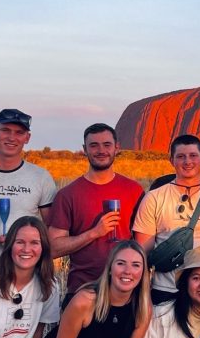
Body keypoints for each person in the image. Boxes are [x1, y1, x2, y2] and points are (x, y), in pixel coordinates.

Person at [133, 134, 200, 304]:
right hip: (164, 290)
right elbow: (143, 251)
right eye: (181, 156)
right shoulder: (154, 198)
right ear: (171, 160)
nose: (187, 161)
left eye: (193, 155)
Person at [48, 123, 145, 299]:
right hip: (83, 290)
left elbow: (143, 243)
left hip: (125, 291)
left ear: (117, 147)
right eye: (94, 145)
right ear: (85, 149)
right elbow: (54, 248)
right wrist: (93, 233)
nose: (101, 150)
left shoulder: (134, 190)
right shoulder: (68, 194)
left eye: (107, 145)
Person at [0, 108, 58, 274]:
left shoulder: (41, 177)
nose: (12, 138)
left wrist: (21, 240)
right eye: (5, 130)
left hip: (23, 274)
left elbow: (51, 228)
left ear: (27, 138)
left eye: (19, 132)